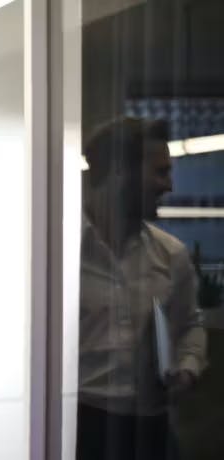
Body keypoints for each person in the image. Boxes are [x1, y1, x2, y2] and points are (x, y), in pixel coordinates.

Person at [77, 117, 207, 460]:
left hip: (151, 426)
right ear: (121, 172)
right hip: (82, 423)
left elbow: (190, 325)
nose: (169, 185)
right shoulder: (58, 256)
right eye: (160, 172)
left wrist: (187, 367)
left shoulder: (172, 255)